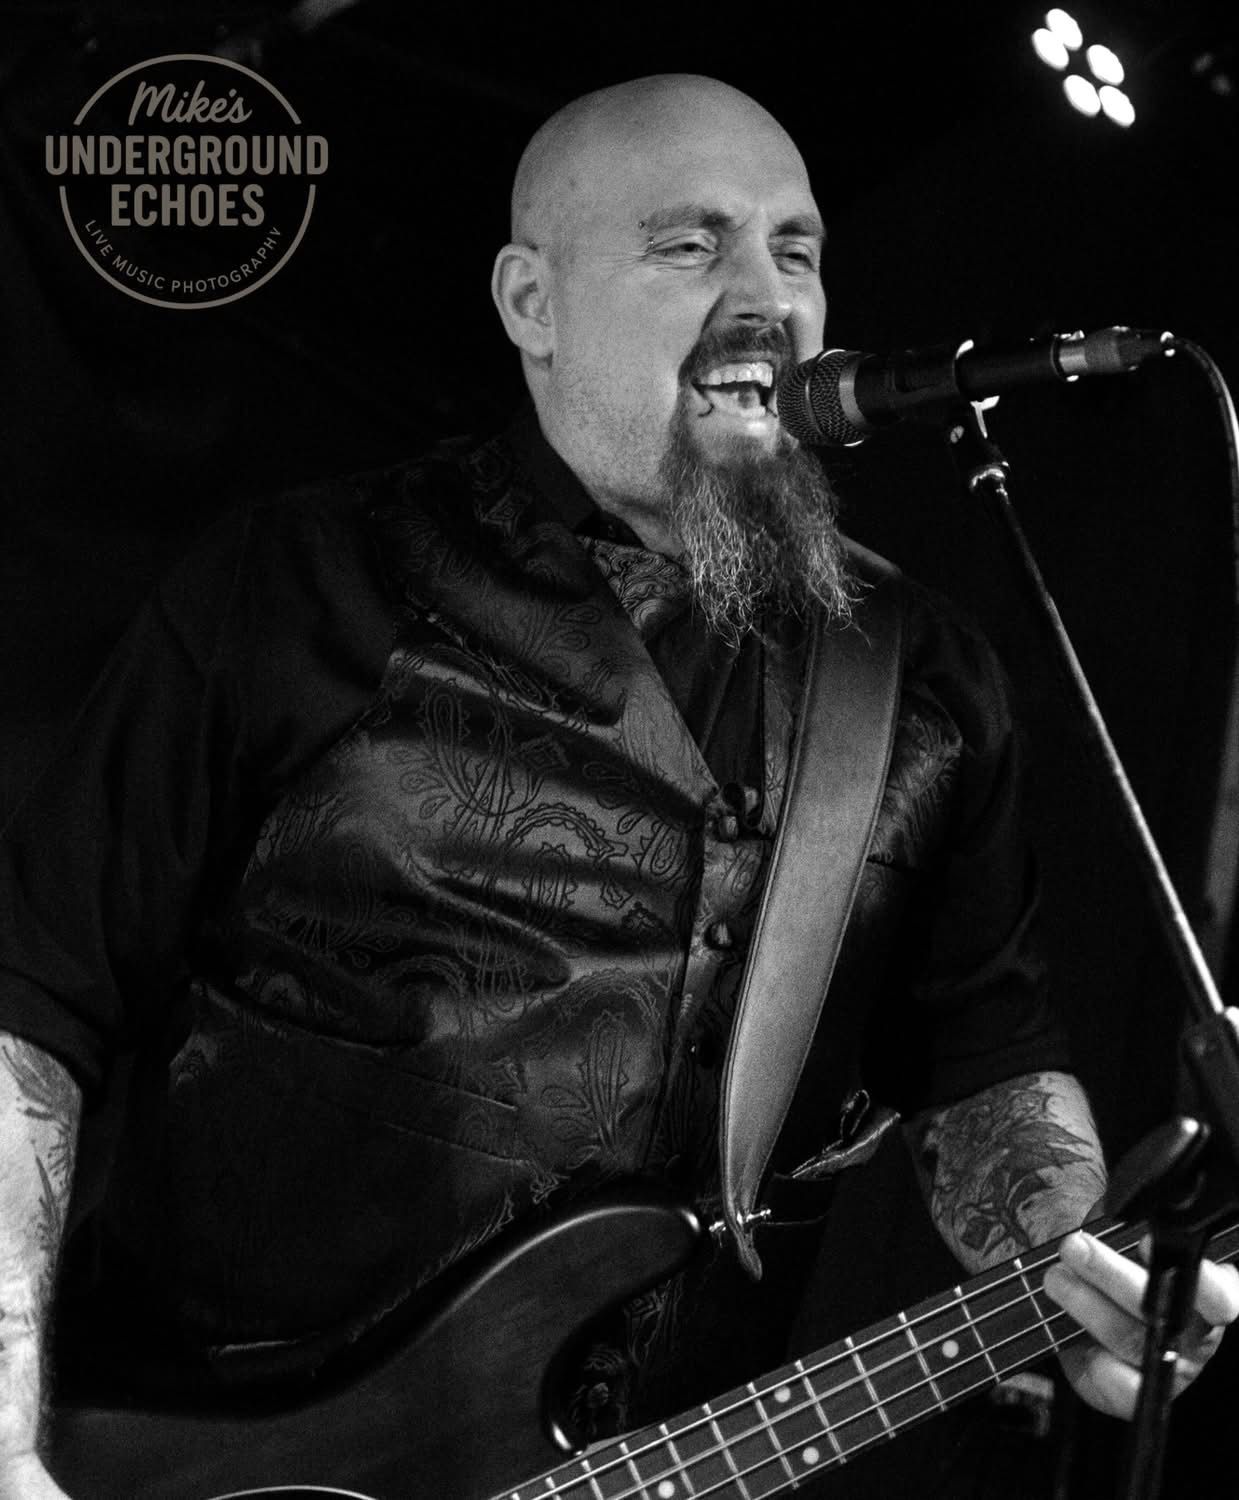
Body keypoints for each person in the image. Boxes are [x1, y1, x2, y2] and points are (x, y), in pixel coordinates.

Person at [0, 72, 1235, 1499]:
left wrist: (1081, 1274)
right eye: (691, 245)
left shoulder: (921, 681)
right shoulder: (295, 588)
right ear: (532, 302)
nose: (767, 298)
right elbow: (33, 1003)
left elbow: (980, 1056)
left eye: (796, 250)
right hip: (201, 1454)